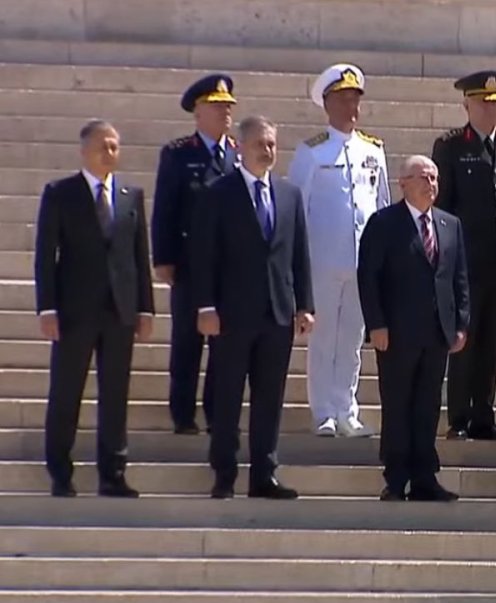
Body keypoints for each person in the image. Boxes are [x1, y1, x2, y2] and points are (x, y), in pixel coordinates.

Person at [191, 115, 314, 500]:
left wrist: (305, 305)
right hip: (231, 314)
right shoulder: (218, 192)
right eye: (260, 144)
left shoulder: (289, 195)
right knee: (227, 397)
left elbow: (299, 254)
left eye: (272, 144)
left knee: (269, 399)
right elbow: (203, 256)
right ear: (240, 147)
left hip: (277, 313)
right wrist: (206, 306)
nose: (267, 150)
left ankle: (264, 474)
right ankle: (224, 474)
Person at [34, 119, 154, 498]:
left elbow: (140, 255)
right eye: (103, 146)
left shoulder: (131, 195)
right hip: (75, 311)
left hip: (119, 310)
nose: (109, 153)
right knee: (66, 392)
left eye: (115, 146)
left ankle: (113, 473)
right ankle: (60, 472)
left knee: (115, 394)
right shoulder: (60, 193)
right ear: (84, 151)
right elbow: (45, 255)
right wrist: (47, 308)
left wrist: (146, 308)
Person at [432, 70, 496, 441]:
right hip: (467, 261)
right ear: (468, 105)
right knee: (465, 340)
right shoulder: (451, 146)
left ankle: (483, 415)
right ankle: (459, 416)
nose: (493, 110)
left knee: (492, 343)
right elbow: (442, 208)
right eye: (484, 104)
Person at [288, 63, 390, 438]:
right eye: (343, 100)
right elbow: (296, 209)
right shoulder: (312, 151)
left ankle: (347, 409)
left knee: (351, 340)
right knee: (324, 339)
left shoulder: (373, 150)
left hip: (362, 263)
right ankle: (323, 412)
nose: (351, 107)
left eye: (355, 99)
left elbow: (382, 205)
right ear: (327, 103)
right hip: (323, 260)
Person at [358, 155, 467, 503]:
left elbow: (459, 278)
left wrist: (460, 323)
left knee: (427, 406)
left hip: (437, 333)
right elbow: (368, 277)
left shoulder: (450, 224)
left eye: (434, 178)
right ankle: (396, 478)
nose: (431, 184)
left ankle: (424, 477)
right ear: (403, 183)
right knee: (397, 404)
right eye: (423, 177)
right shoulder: (384, 223)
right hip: (397, 333)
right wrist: (376, 324)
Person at [151, 74, 238, 435]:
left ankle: (217, 414)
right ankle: (183, 414)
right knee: (187, 342)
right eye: (217, 107)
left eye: (228, 107)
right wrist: (163, 258)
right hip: (189, 264)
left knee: (224, 346)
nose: (225, 112)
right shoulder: (179, 153)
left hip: (229, 268)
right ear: (198, 112)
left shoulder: (237, 154)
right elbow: (165, 209)